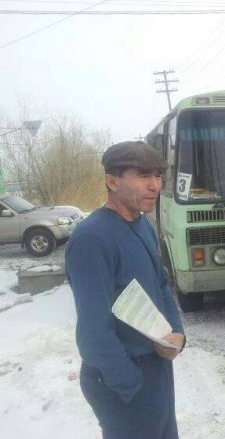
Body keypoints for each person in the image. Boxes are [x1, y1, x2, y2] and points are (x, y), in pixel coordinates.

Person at [66, 141, 185, 439]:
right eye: (144, 176)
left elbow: (160, 284)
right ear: (112, 181)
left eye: (158, 176)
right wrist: (131, 383)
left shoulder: (143, 225)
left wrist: (177, 334)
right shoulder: (92, 238)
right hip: (122, 381)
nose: (155, 186)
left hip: (156, 370)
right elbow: (93, 334)